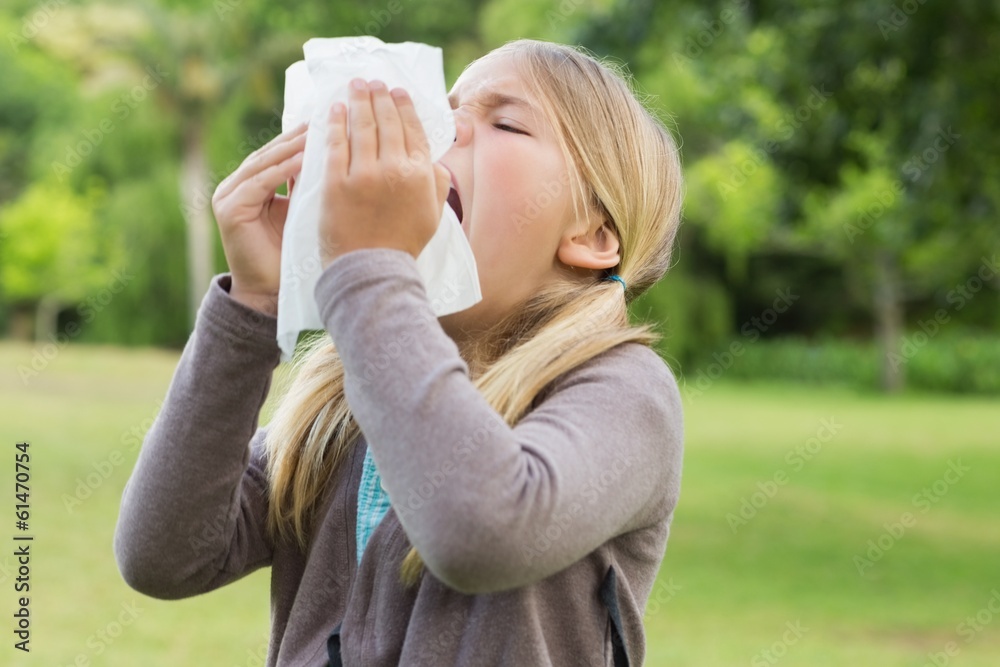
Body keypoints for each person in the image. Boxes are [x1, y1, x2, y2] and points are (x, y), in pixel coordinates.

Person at [114, 38, 684, 666]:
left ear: (592, 234)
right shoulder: (350, 394)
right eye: (446, 106)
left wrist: (370, 267)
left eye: (506, 122)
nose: (442, 125)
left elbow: (481, 531)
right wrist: (254, 302)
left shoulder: (627, 391)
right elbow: (164, 555)